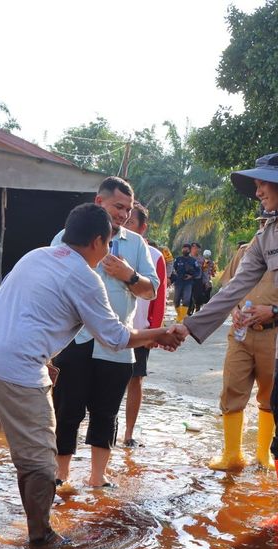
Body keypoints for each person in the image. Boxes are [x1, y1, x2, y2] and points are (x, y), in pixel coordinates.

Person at [0, 203, 181, 547]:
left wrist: (46, 356)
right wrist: (160, 332)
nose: (108, 251)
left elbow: (13, 307)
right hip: (17, 367)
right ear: (97, 241)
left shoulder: (36, 255)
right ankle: (41, 536)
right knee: (38, 458)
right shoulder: (85, 277)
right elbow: (115, 337)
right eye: (108, 244)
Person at [174, 153, 278, 527]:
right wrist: (188, 327)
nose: (257, 192)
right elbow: (235, 287)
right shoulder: (265, 238)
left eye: (262, 184)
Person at [49, 177, 159, 488]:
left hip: (117, 342)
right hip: (76, 337)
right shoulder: (66, 238)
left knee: (106, 412)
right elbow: (55, 281)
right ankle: (61, 475)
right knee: (67, 408)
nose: (124, 214)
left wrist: (129, 275)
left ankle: (98, 478)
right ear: (100, 202)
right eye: (118, 206)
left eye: (128, 209)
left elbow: (151, 291)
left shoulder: (136, 245)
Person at [209, 213, 278, 471]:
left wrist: (274, 310)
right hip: (241, 334)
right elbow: (228, 287)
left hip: (275, 333)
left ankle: (264, 455)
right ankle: (232, 455)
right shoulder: (245, 251)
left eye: (271, 223)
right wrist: (234, 311)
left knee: (271, 395)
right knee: (232, 388)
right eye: (262, 222)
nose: (265, 227)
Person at [120, 202, 166, 448]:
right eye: (123, 220)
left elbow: (158, 298)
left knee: (136, 379)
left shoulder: (155, 256)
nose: (124, 225)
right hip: (113, 327)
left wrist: (153, 333)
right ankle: (105, 430)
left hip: (140, 330)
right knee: (109, 379)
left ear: (143, 227)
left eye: (130, 222)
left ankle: (128, 433)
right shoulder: (110, 248)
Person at [172, 243, 200, 323]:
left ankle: (181, 318)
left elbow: (198, 271)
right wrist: (174, 275)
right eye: (184, 248)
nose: (185, 250)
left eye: (187, 249)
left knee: (186, 300)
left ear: (189, 250)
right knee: (176, 300)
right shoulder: (178, 259)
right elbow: (172, 269)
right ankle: (179, 315)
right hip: (178, 282)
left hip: (188, 283)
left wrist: (191, 276)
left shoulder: (193, 261)